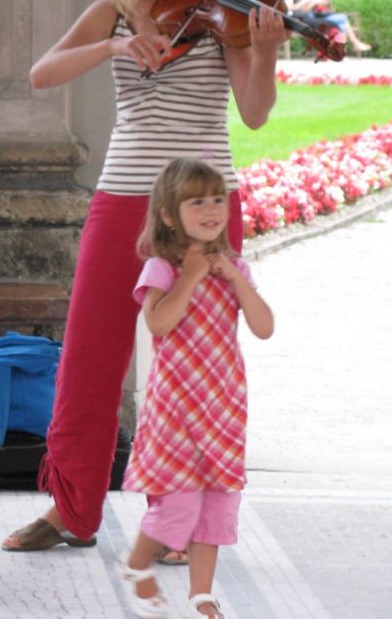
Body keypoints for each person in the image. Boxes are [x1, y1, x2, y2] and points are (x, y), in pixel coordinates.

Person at [0, 0, 286, 556]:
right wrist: (115, 46)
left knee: (196, 362)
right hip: (124, 193)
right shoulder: (115, 11)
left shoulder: (227, 14)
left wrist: (266, 51)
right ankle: (72, 511)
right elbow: (43, 72)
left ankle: (180, 521)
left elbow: (254, 113)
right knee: (90, 355)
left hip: (205, 206)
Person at [118, 158, 273, 619]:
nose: (211, 209)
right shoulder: (162, 270)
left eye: (218, 199)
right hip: (175, 408)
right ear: (168, 214)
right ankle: (137, 564)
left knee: (217, 507)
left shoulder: (236, 269)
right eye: (197, 201)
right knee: (178, 502)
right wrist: (191, 275)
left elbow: (264, 327)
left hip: (223, 407)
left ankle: (200, 594)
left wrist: (232, 277)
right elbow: (159, 322)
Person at [280, 0, 371, 53]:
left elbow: (301, 8)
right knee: (336, 23)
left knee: (339, 22)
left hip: (308, 17)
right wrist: (309, 2)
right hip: (303, 19)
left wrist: (326, 0)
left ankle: (341, 51)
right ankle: (341, 50)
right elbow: (290, 9)